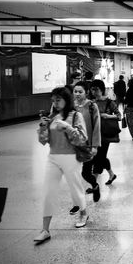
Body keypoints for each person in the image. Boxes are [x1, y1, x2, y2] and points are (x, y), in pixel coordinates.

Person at [35, 87, 89, 244]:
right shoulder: (51, 117)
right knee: (48, 192)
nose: (55, 103)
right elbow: (43, 141)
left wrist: (68, 127)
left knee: (75, 188)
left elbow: (82, 139)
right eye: (53, 100)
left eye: (58, 100)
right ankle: (45, 229)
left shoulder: (75, 116)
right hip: (53, 157)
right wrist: (43, 128)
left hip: (71, 157)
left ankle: (83, 213)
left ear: (67, 100)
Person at [73, 82, 101, 206]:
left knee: (85, 173)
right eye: (75, 91)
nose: (77, 94)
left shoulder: (91, 106)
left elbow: (96, 126)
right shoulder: (71, 106)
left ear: (86, 92)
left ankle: (95, 186)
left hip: (87, 145)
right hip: (73, 145)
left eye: (80, 92)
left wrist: (95, 145)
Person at [88, 80, 120, 184]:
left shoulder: (109, 102)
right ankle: (111, 174)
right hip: (94, 133)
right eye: (92, 89)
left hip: (105, 134)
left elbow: (119, 116)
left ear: (102, 89)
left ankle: (94, 182)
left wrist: (107, 116)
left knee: (99, 157)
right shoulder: (90, 103)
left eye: (96, 89)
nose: (94, 92)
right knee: (101, 157)